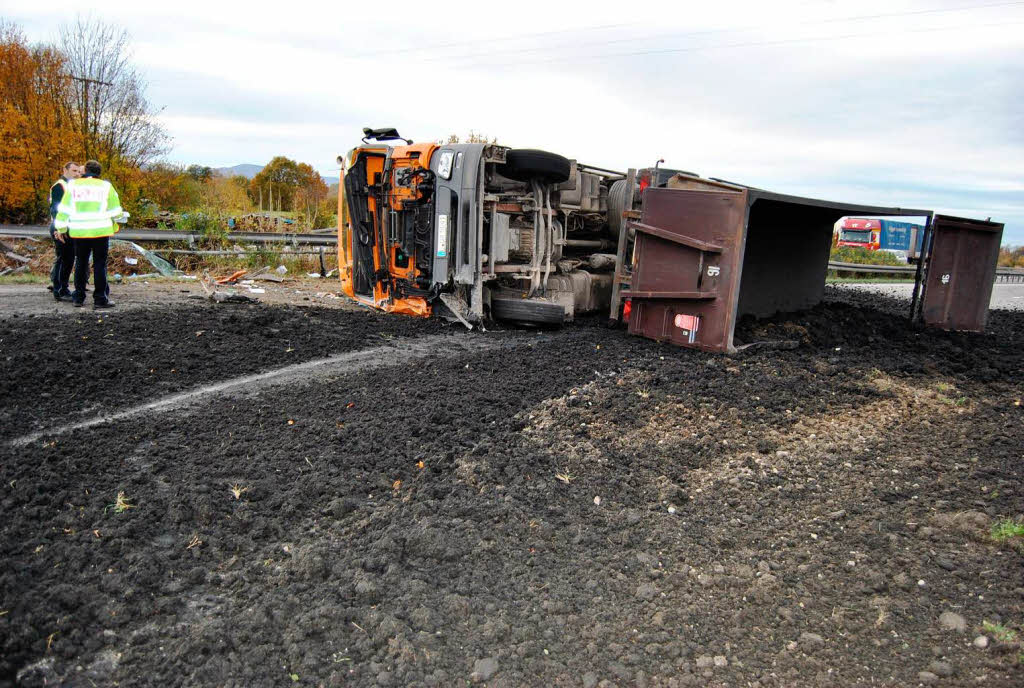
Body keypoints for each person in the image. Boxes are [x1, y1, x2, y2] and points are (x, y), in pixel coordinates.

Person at [54, 160, 125, 309]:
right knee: (100, 264)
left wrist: (60, 228)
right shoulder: (106, 187)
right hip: (101, 231)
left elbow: (64, 209)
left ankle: (78, 297)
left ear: (85, 170)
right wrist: (116, 219)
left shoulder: (73, 186)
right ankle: (100, 298)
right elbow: (116, 211)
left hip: (79, 231)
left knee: (80, 263)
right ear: (99, 172)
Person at [48, 161, 81, 300]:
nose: (77, 174)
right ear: (65, 170)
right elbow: (56, 209)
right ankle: (60, 290)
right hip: (61, 227)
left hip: (68, 227)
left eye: (78, 171)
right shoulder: (60, 186)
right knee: (63, 259)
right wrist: (59, 229)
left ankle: (63, 288)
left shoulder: (71, 186)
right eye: (74, 171)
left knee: (68, 260)